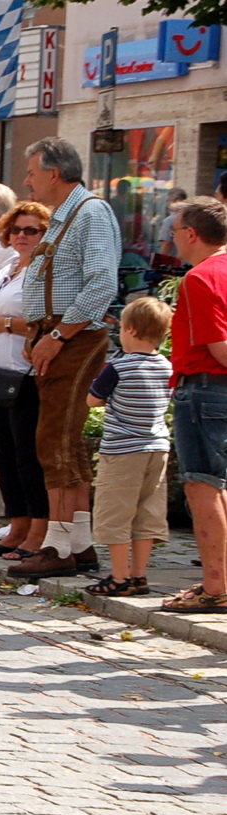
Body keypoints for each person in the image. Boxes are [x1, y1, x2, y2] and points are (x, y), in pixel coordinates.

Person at [11, 137, 119, 579]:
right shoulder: (69, 213)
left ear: (54, 173)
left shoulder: (90, 212)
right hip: (58, 332)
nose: (28, 181)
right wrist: (38, 330)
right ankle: (79, 541)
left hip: (74, 335)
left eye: (33, 172)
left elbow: (100, 285)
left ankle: (57, 546)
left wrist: (55, 334)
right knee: (64, 440)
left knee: (54, 438)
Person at [0, 201, 52, 562]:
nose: (22, 236)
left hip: (26, 371)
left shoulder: (46, 270)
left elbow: (48, 321)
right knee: (4, 453)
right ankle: (17, 525)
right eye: (17, 229)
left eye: (31, 230)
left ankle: (39, 529)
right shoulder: (6, 265)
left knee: (26, 456)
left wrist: (3, 324)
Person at [84, 297, 173, 598]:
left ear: (131, 330)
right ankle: (139, 575)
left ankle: (119, 576)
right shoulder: (166, 366)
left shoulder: (118, 367)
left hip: (123, 450)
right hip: (158, 447)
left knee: (116, 513)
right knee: (147, 512)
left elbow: (93, 400)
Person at [163, 197, 227, 610]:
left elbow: (219, 348)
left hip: (205, 388)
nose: (173, 239)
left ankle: (216, 587)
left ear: (191, 234)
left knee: (203, 486)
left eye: (175, 231)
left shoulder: (200, 278)